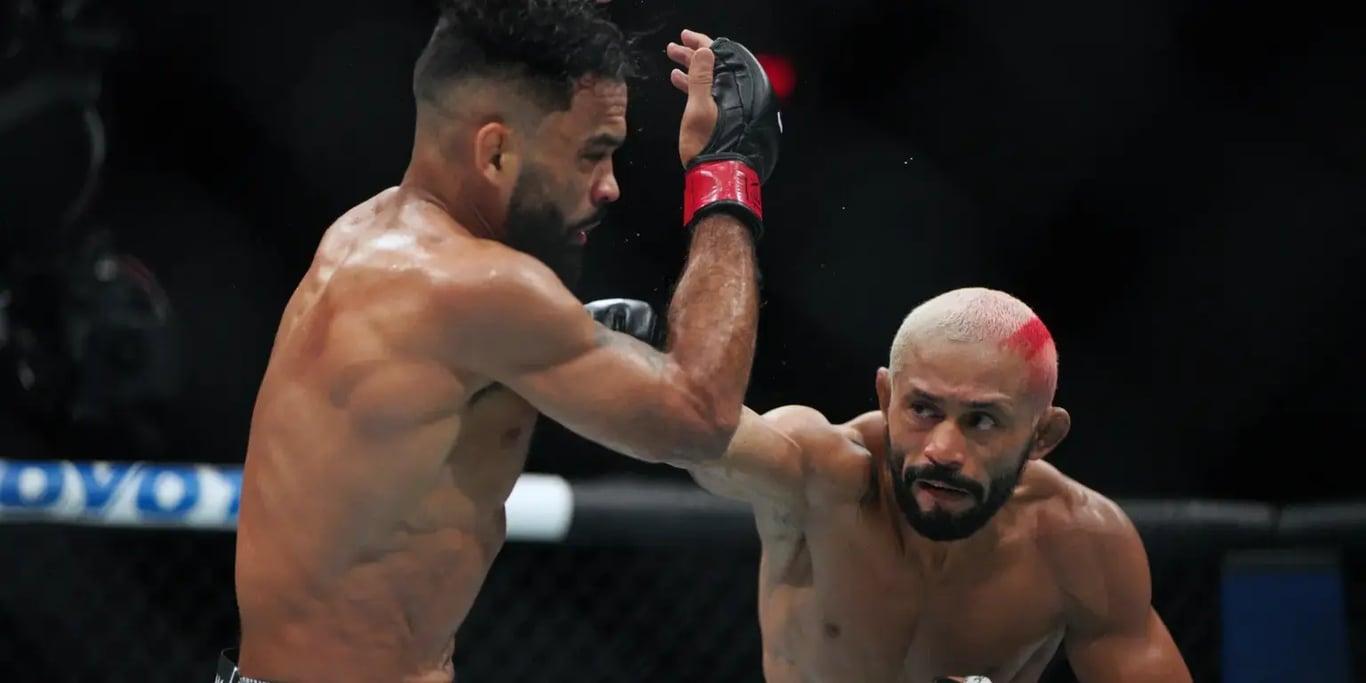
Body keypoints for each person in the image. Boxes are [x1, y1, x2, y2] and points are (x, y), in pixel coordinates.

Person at [225, 2, 781, 681]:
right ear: (495, 151)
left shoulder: (364, 236)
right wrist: (726, 176)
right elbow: (702, 417)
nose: (609, 187)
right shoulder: (476, 288)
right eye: (591, 155)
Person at [670, 283, 1191, 681]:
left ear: (1043, 436)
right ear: (885, 396)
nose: (942, 450)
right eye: (922, 409)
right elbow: (699, 442)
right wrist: (647, 367)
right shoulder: (817, 470)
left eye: (982, 420)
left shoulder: (1081, 543)